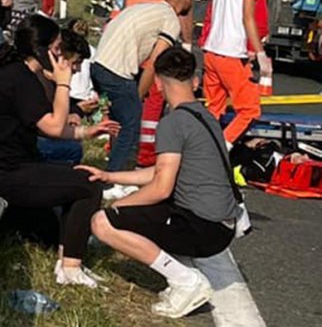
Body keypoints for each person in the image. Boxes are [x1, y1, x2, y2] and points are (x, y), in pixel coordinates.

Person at [82, 47, 239, 319]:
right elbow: (162, 171)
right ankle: (183, 275)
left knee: (102, 223)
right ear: (195, 81)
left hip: (202, 226)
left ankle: (186, 282)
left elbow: (161, 187)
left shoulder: (172, 123)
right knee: (124, 214)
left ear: (157, 82)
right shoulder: (205, 116)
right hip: (222, 223)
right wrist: (111, 176)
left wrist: (118, 207)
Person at [0, 15, 120, 288]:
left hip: (3, 168)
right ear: (42, 49)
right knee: (89, 183)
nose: (61, 56)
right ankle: (71, 269)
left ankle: (61, 249)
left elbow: (43, 126)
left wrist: (86, 132)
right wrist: (63, 83)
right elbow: (53, 126)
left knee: (52, 233)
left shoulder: (19, 73)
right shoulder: (20, 79)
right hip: (1, 173)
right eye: (58, 48)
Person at [90, 0, 196, 173]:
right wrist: (139, 95)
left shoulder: (148, 6)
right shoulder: (171, 20)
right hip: (117, 70)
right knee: (131, 125)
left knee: (118, 121)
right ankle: (115, 176)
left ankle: (113, 158)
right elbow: (155, 62)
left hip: (98, 63)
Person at [202, 0, 274, 145]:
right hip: (232, 52)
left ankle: (202, 146)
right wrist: (260, 54)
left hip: (212, 49)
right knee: (250, 110)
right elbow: (248, 17)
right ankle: (219, 150)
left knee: (214, 107)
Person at [36, 27, 98, 165]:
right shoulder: (42, 80)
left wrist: (76, 111)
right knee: (72, 149)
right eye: (76, 62)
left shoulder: (48, 77)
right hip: (23, 144)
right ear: (59, 53)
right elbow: (48, 128)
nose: (78, 69)